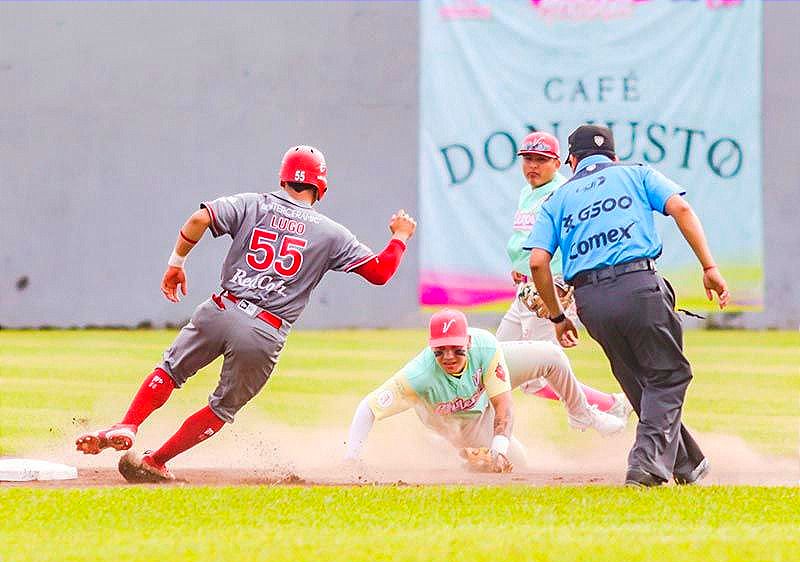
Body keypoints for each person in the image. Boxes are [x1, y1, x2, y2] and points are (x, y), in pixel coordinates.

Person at [75, 145, 417, 483]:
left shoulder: (254, 203)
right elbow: (380, 272)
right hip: (265, 329)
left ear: (283, 180)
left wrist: (176, 264)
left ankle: (129, 424)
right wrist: (400, 236)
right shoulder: (331, 233)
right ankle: (155, 460)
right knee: (221, 408)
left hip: (222, 307)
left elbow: (198, 219)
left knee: (170, 371)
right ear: (321, 187)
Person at [525, 124, 730, 487]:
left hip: (591, 301)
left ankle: (687, 463)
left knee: (639, 380)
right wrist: (709, 267)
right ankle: (645, 464)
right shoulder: (636, 174)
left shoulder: (555, 200)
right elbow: (680, 207)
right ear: (613, 157)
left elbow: (538, 262)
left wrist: (557, 315)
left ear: (572, 161)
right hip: (638, 287)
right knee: (668, 375)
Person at [344, 309, 625, 470]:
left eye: (456, 349)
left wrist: (497, 448)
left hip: (483, 385)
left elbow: (504, 405)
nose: (449, 357)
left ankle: (582, 413)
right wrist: (351, 457)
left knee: (551, 357)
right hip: (459, 419)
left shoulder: (484, 346)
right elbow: (368, 408)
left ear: (467, 341)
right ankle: (444, 450)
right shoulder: (419, 375)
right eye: (440, 352)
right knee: (517, 462)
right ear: (431, 349)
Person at [497, 131, 632, 421]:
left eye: (541, 160)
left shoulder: (562, 192)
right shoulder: (528, 191)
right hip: (524, 290)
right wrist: (519, 264)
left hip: (549, 289)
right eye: (528, 159)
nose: (532, 166)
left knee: (536, 377)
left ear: (557, 163)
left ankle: (610, 406)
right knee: (495, 364)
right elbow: (527, 238)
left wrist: (560, 286)